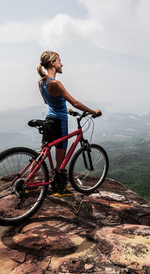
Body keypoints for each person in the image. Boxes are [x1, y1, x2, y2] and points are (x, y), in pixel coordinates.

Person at [37, 51, 101, 196]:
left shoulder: (41, 82)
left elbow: (48, 102)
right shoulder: (56, 83)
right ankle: (60, 189)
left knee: (41, 154)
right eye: (59, 60)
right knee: (60, 159)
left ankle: (29, 184)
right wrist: (93, 111)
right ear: (52, 63)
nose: (62, 63)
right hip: (59, 122)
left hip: (48, 121)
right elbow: (75, 102)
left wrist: (64, 108)